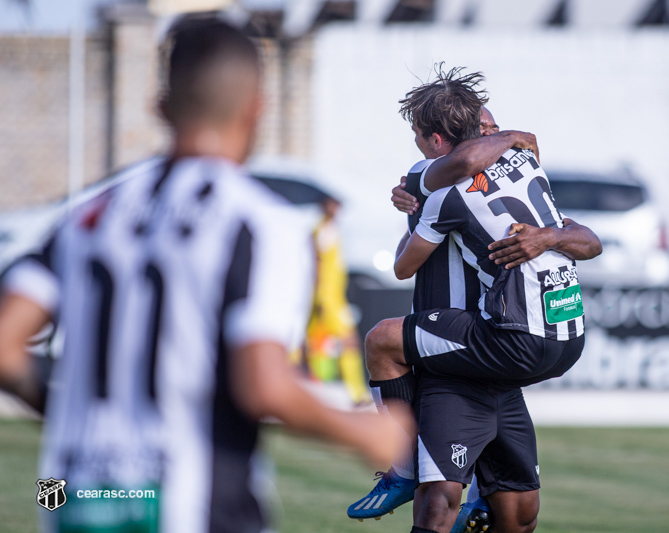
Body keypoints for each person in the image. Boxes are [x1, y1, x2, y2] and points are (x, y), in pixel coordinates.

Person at [0, 17, 406, 533]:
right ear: (256, 106)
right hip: (196, 504)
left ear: (162, 107)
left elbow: (5, 344)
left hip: (75, 499)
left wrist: (75, 412)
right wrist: (362, 432)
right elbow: (263, 385)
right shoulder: (259, 222)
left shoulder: (89, 216)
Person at [352, 68, 601, 533]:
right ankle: (447, 481)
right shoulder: (524, 161)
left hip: (502, 340)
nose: (493, 137)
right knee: (475, 503)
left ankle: (402, 467)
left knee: (381, 340)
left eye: (495, 130)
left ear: (437, 140)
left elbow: (404, 264)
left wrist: (545, 236)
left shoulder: (445, 183)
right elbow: (474, 162)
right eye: (485, 131)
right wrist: (513, 140)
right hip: (516, 347)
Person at [306, 195, 371, 405]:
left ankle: (316, 393)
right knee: (348, 342)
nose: (336, 209)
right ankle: (357, 394)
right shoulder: (323, 231)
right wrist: (320, 299)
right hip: (327, 299)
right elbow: (317, 267)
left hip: (329, 297)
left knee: (315, 344)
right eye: (333, 204)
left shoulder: (327, 230)